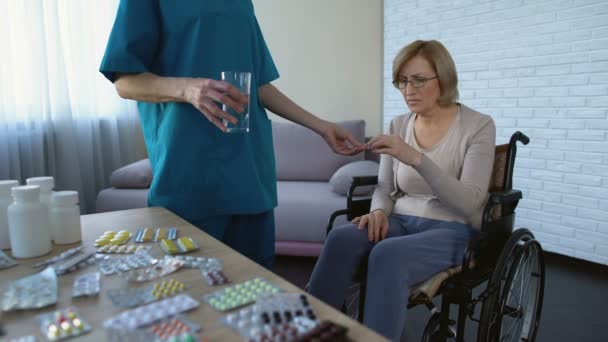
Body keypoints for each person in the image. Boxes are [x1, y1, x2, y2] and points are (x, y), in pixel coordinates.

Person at [99, 1, 364, 269]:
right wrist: (188, 89)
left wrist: (320, 126)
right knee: (192, 289)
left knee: (255, 290)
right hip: (188, 172)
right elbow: (125, 81)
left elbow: (257, 84)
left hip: (250, 175)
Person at [307, 40, 496, 341]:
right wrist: (379, 211)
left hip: (453, 230)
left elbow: (471, 203)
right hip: (402, 221)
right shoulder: (399, 124)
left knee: (388, 254)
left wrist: (415, 158)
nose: (409, 89)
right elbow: (385, 186)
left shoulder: (478, 126)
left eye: (419, 80)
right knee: (341, 237)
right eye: (403, 81)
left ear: (443, 78)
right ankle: (308, 330)